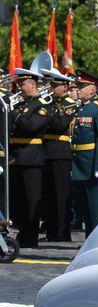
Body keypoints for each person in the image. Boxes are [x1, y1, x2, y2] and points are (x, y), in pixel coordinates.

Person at [7, 68, 48, 247]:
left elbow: (31, 127)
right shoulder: (22, 105)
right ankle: (23, 235)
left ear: (32, 84)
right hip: (17, 156)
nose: (20, 88)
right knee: (20, 199)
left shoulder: (42, 106)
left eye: (22, 84)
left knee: (32, 200)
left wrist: (15, 113)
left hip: (32, 157)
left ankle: (31, 237)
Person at [70, 71, 98, 234]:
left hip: (92, 164)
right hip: (80, 165)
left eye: (82, 87)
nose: (78, 90)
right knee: (85, 210)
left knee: (96, 210)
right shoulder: (82, 109)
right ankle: (89, 243)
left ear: (92, 90)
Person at [39, 69, 75, 241]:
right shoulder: (49, 103)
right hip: (45, 151)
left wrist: (48, 114)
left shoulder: (70, 104)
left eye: (56, 85)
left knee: (61, 195)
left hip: (60, 153)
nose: (52, 87)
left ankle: (62, 232)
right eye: (52, 84)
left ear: (65, 86)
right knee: (48, 194)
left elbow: (60, 125)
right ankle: (51, 230)